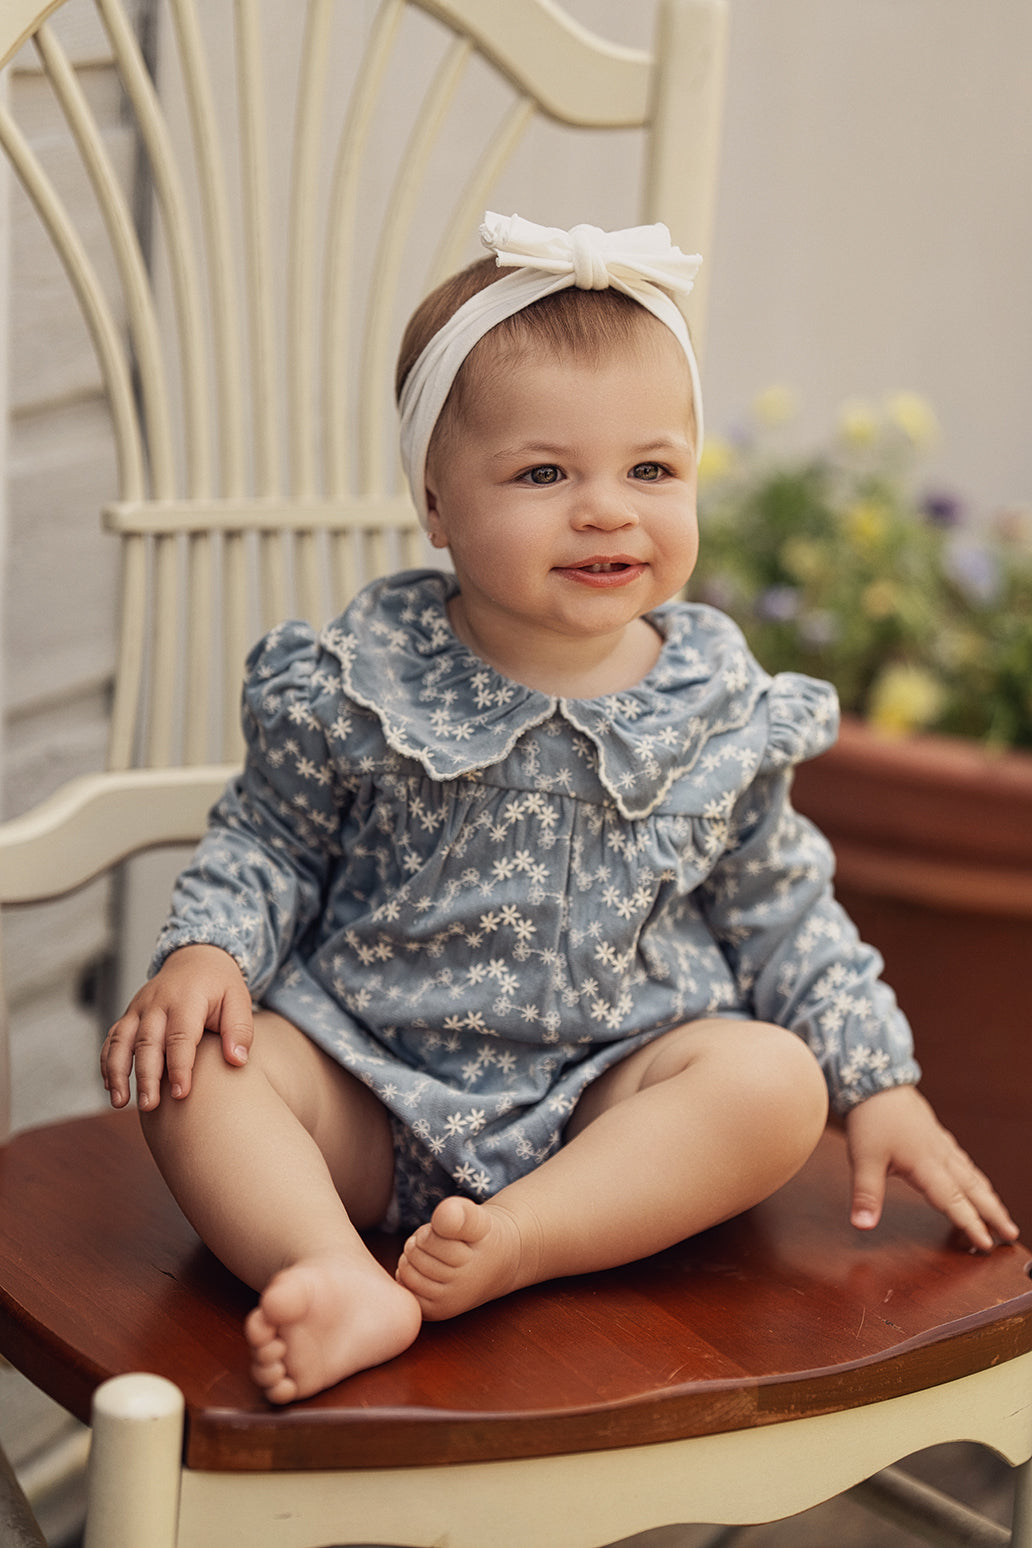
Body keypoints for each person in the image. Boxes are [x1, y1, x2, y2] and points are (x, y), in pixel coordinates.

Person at [102, 213, 1018, 1407]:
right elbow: (269, 843)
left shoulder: (715, 700)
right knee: (199, 1072)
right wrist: (209, 951)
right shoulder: (362, 677)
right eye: (544, 474)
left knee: (776, 1082)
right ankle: (331, 1270)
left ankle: (521, 1240)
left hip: (611, 1111)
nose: (606, 510)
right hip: (363, 1087)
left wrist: (878, 1082)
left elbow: (784, 910)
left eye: (652, 470)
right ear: (437, 505)